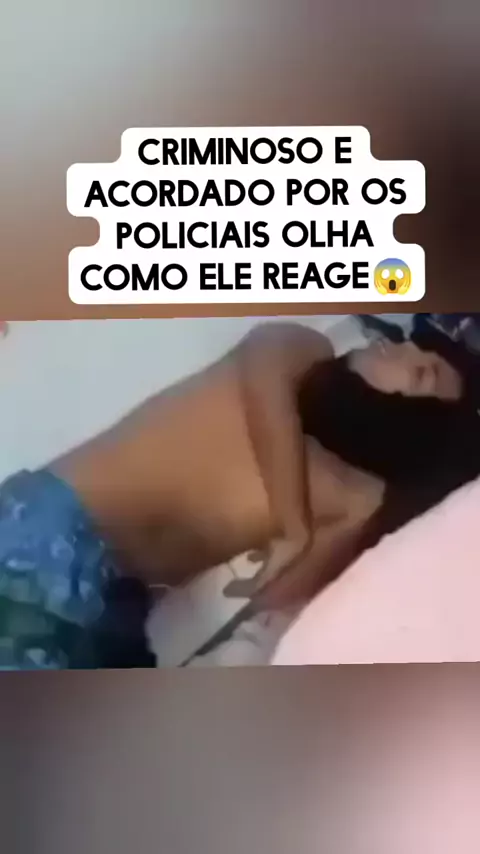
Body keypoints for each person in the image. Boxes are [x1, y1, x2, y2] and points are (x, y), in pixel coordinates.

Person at [1, 321, 479, 669]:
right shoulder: (299, 350)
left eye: (422, 373)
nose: (409, 348)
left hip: (116, 604)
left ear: (407, 423)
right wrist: (294, 529)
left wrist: (351, 521)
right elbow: (267, 397)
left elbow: (275, 604)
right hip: (48, 532)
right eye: (422, 351)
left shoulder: (347, 493)